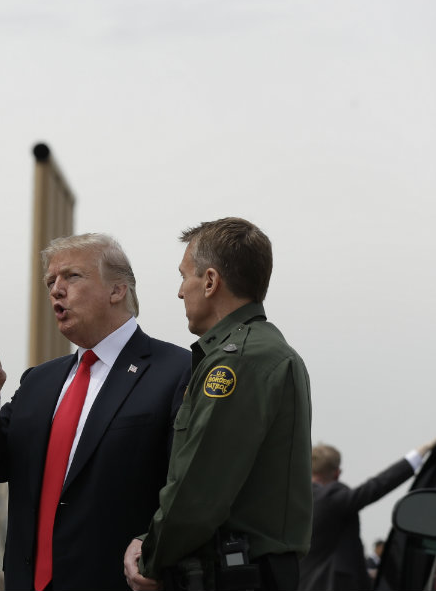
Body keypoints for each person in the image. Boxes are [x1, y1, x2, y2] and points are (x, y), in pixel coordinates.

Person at [0, 233, 191, 590]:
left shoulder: (177, 371)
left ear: (117, 290)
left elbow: (188, 486)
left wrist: (153, 543)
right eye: (51, 281)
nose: (56, 290)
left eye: (72, 277)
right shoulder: (38, 381)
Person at [125, 217, 313, 591]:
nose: (180, 292)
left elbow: (198, 488)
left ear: (210, 282)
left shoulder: (236, 360)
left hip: (234, 575)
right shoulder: (262, 351)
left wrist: (151, 558)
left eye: (185, 276)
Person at [299, 435, 436, 591]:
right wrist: (424, 449)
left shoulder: (293, 499)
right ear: (337, 473)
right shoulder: (332, 497)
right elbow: (377, 485)